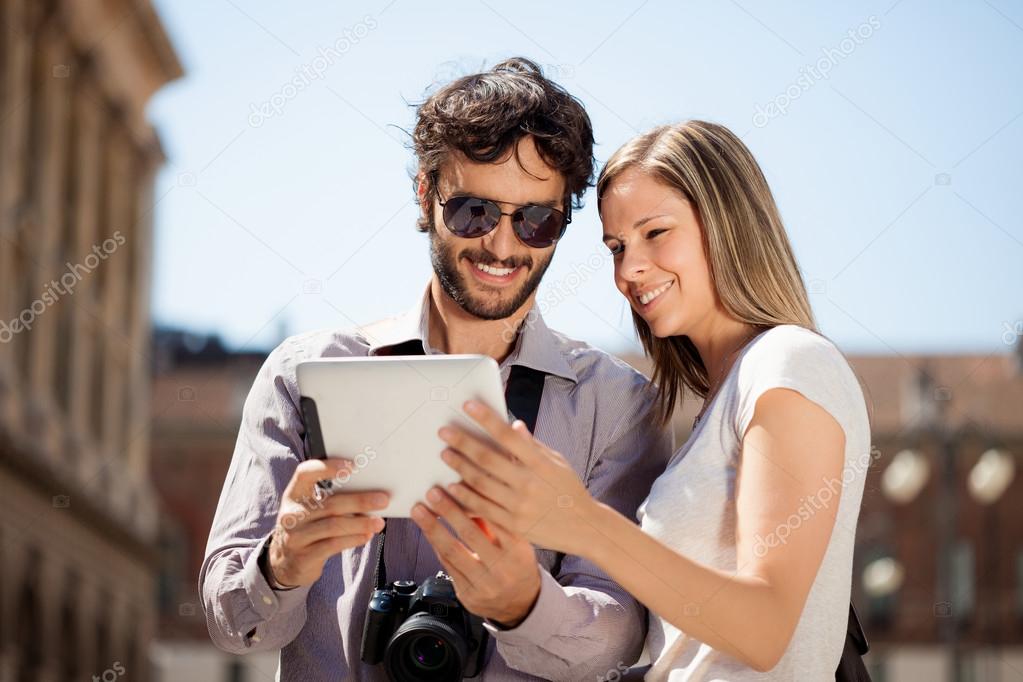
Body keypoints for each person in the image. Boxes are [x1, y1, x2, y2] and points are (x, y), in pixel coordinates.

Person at [199, 58, 674, 681]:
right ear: (425, 193)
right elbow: (231, 624)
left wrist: (524, 605)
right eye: (474, 212)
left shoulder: (617, 404)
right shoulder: (303, 373)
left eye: (536, 221)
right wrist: (281, 563)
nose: (503, 247)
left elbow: (620, 639)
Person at [435, 120, 871, 680]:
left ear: (727, 225)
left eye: (656, 233)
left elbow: (766, 630)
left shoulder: (788, 362)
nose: (628, 270)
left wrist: (581, 523)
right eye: (616, 247)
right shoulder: (724, 396)